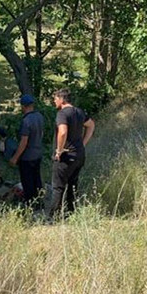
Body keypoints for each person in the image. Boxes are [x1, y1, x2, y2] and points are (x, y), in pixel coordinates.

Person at [49, 88, 95, 220]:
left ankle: (53, 217)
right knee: (72, 185)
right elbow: (91, 125)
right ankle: (70, 214)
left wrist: (59, 150)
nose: (54, 101)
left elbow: (62, 132)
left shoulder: (62, 114)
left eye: (55, 98)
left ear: (62, 99)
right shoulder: (79, 112)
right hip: (79, 155)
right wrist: (83, 143)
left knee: (58, 187)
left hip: (66, 156)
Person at [8, 95, 45, 207]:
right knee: (37, 178)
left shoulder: (26, 121)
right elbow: (42, 133)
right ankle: (39, 201)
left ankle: (30, 203)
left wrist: (15, 157)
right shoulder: (39, 116)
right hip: (38, 153)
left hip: (27, 156)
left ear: (23, 106)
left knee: (27, 180)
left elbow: (24, 141)